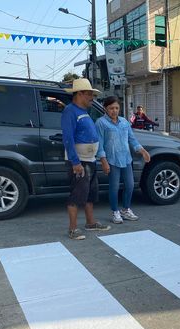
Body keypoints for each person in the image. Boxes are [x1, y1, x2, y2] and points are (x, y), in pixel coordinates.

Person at [61, 78, 111, 240]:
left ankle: (90, 222)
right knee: (77, 194)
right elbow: (68, 138)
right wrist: (75, 162)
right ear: (80, 94)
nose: (92, 98)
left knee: (90, 194)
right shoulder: (70, 111)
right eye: (89, 94)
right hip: (80, 161)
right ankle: (73, 229)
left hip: (90, 160)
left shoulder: (83, 111)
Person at [96, 96, 151, 224]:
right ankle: (115, 211)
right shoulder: (100, 123)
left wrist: (143, 151)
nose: (114, 111)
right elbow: (99, 144)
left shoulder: (124, 122)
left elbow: (132, 139)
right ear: (105, 108)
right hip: (112, 160)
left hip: (126, 159)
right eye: (111, 108)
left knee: (130, 185)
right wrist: (103, 161)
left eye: (116, 108)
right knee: (114, 187)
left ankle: (125, 210)